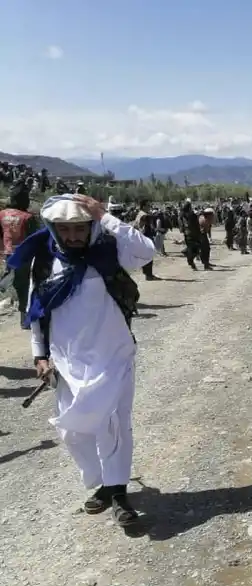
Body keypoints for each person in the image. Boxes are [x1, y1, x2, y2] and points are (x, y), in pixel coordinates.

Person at [6, 194, 156, 527]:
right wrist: (39, 355)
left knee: (114, 426)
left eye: (79, 228)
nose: (73, 236)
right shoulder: (45, 260)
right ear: (54, 229)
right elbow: (38, 312)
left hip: (113, 355)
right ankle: (102, 482)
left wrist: (105, 216)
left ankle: (118, 492)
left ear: (91, 227)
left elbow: (146, 251)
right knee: (74, 432)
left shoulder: (110, 252)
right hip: (67, 362)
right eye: (65, 229)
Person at [0, 179, 41, 328]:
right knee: (26, 285)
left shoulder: (2, 214)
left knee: (16, 284)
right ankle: (25, 318)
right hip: (24, 256)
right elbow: (34, 239)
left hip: (8, 254)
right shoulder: (27, 217)